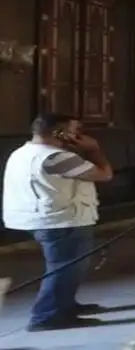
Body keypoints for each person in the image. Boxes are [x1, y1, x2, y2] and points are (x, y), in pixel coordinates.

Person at [2, 113, 115, 331]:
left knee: (67, 267)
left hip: (40, 217)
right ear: (59, 133)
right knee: (65, 268)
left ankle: (64, 305)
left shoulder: (22, 152)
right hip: (62, 220)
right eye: (74, 130)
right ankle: (46, 316)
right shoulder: (57, 157)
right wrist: (93, 149)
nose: (78, 135)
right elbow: (104, 174)